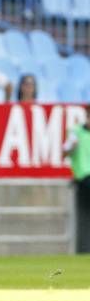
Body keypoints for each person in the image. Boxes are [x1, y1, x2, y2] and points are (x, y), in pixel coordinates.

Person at [63, 104, 90, 253]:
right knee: (83, 217)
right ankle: (83, 249)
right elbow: (65, 152)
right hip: (84, 178)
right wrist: (71, 147)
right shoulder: (76, 132)